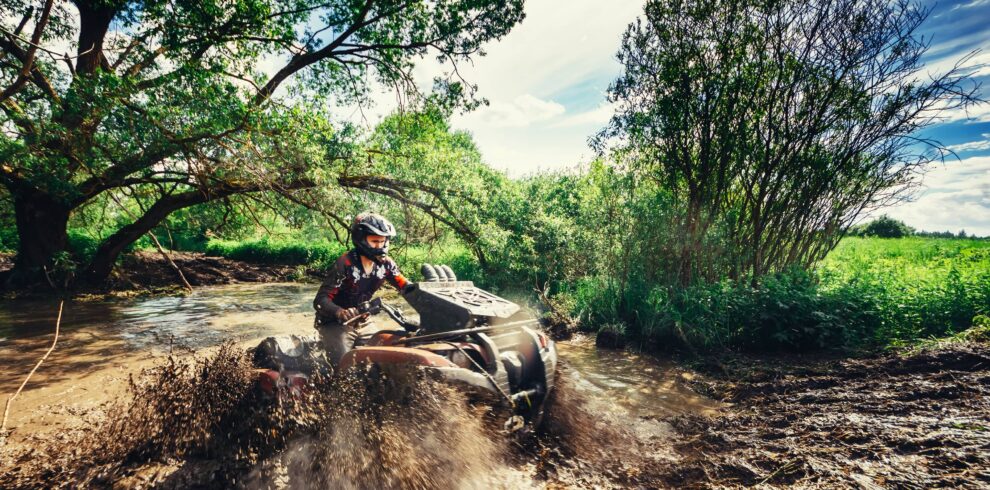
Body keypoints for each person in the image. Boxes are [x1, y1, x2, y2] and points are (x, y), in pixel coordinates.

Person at [313, 212, 412, 366]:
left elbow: (405, 286)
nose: (380, 246)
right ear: (361, 239)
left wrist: (427, 292)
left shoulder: (386, 265)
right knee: (345, 367)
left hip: (364, 321)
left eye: (383, 241)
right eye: (374, 241)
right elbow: (320, 301)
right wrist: (340, 312)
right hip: (334, 323)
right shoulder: (345, 264)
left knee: (384, 357)